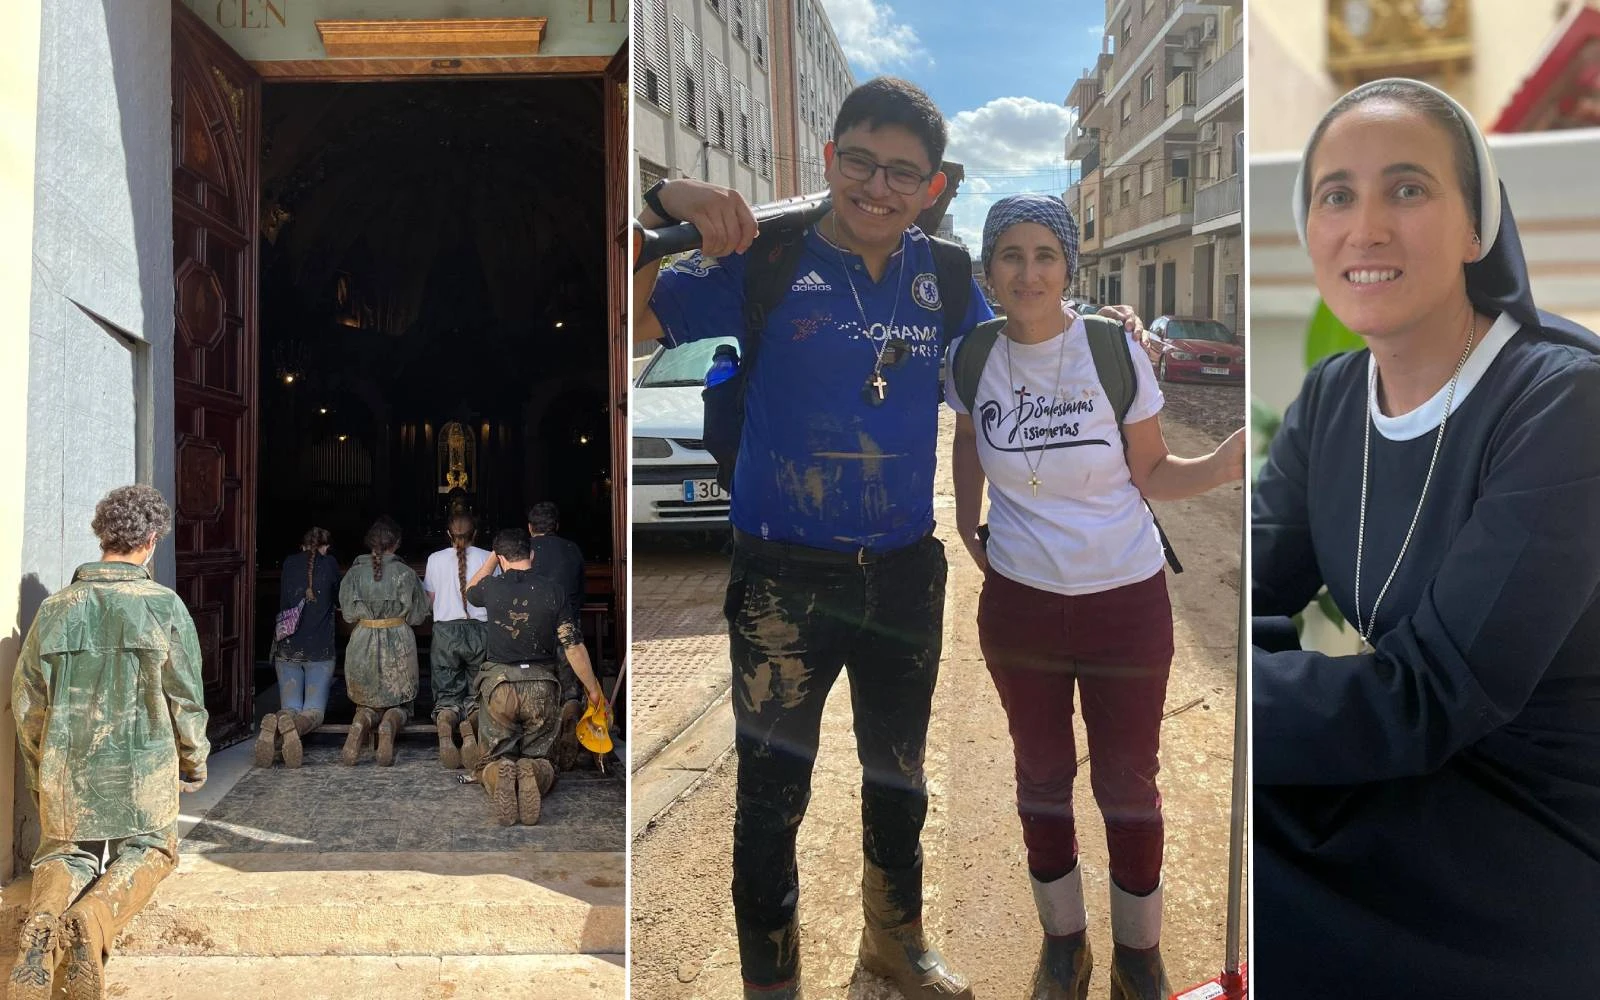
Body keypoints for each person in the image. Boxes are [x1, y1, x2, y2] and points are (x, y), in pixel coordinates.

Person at [633, 75, 1144, 1000]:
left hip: (905, 574)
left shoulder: (947, 276)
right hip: (782, 580)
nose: (879, 186)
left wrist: (1108, 332)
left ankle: (892, 947)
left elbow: (1024, 346)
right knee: (770, 799)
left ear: (933, 185)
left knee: (899, 780)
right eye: (860, 163)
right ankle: (771, 979)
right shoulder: (767, 262)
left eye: (902, 173)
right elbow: (631, 308)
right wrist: (666, 197)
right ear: (829, 161)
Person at [1252, 78, 1600, 996]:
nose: (1365, 227)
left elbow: (1435, 694)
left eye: (1407, 188)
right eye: (1337, 194)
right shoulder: (1332, 396)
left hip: (1531, 829)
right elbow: (1244, 575)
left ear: (1477, 226)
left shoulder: (1562, 401)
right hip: (1400, 767)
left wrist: (1238, 693)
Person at [948, 194, 1243, 1000]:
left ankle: (1138, 955)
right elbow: (969, 435)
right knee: (1040, 775)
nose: (1030, 270)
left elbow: (1150, 471)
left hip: (1125, 603)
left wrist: (1219, 465)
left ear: (1068, 266)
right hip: (1021, 609)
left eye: (1046, 254)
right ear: (990, 270)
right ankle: (1064, 945)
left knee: (1127, 781)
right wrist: (971, 526)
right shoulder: (972, 357)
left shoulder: (1114, 352)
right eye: (1012, 254)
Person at [7, 485, 209, 1000]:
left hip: (68, 767)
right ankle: (92, 921)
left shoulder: (55, 608)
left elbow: (28, 703)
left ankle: (44, 923)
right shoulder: (163, 606)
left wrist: (40, 771)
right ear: (152, 539)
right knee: (150, 849)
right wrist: (193, 762)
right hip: (143, 771)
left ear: (102, 534)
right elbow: (186, 697)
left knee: (65, 852)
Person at [463, 529, 604, 826]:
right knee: (544, 759)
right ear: (532, 555)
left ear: (501, 559)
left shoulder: (491, 587)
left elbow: (469, 590)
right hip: (542, 685)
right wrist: (592, 689)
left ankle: (501, 770)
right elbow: (572, 646)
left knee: (490, 760)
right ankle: (533, 769)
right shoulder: (553, 591)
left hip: (500, 685)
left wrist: (492, 559)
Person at [337, 518, 429, 767]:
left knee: (365, 701)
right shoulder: (407, 574)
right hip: (398, 642)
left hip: (362, 641)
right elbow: (419, 615)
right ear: (397, 544)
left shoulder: (353, 574)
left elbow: (347, 614)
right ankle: (390, 723)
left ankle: (362, 722)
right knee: (400, 701)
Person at [256, 527, 339, 769]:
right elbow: (337, 598)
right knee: (313, 710)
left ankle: (276, 722)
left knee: (290, 707)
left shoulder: (289, 564)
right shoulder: (330, 564)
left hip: (287, 648)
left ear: (301, 546)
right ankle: (294, 728)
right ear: (326, 547)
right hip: (319, 650)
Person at [423, 513, 491, 770]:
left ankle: (445, 721)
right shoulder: (487, 557)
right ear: (475, 534)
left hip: (445, 633)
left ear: (449, 534)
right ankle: (471, 726)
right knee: (478, 692)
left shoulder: (435, 559)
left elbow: (429, 598)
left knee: (446, 692)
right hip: (480, 631)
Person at [526, 501, 588, 718]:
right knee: (569, 679)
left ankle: (542, 720)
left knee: (537, 677)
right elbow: (581, 592)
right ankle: (571, 705)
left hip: (534, 625)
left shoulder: (524, 552)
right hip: (568, 623)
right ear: (557, 526)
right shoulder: (572, 549)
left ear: (530, 527)